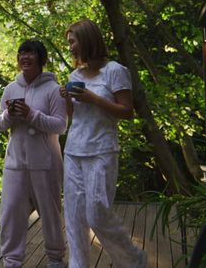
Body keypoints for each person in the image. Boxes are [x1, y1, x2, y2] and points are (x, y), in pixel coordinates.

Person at [59, 19, 147, 268]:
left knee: (97, 213)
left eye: (72, 42)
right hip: (74, 150)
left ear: (87, 39)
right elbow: (74, 117)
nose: (70, 48)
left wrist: (92, 97)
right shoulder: (74, 75)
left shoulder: (115, 71)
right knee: (74, 217)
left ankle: (133, 260)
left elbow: (127, 111)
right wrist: (67, 98)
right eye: (69, 43)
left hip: (102, 150)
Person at [0, 39, 67, 268]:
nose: (25, 57)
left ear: (41, 59)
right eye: (21, 53)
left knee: (50, 213)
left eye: (31, 53)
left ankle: (55, 259)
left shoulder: (54, 90)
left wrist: (31, 114)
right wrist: (8, 116)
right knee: (10, 214)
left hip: (45, 163)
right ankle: (11, 261)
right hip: (15, 163)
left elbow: (61, 125)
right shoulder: (10, 88)